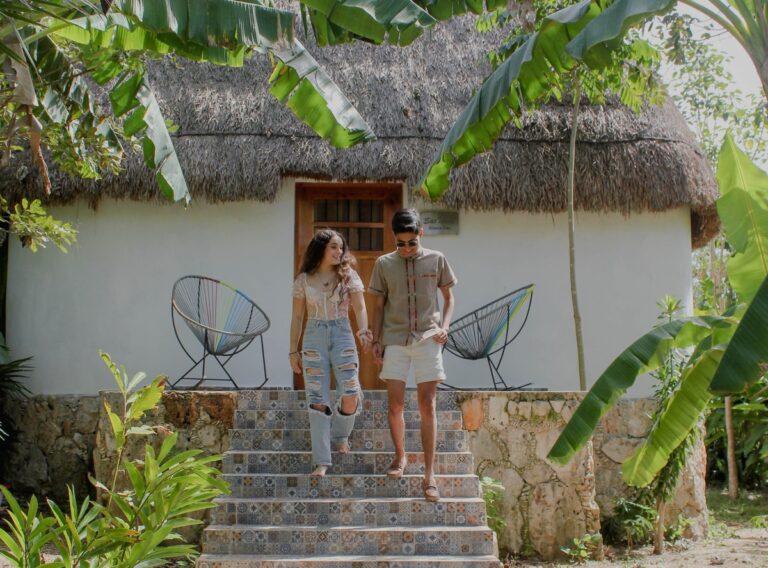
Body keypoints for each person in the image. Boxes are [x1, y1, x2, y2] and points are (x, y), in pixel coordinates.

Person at [368, 208, 456, 502]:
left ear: (421, 234)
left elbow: (449, 297)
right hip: (394, 339)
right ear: (394, 238)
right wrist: (376, 340)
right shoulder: (383, 264)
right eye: (400, 243)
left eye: (411, 242)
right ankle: (400, 455)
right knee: (395, 405)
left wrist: (445, 327)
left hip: (428, 339)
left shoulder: (437, 259)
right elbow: (379, 306)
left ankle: (429, 476)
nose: (406, 248)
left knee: (427, 405)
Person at [289, 229, 372, 477]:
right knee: (317, 398)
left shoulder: (349, 276)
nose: (338, 252)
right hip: (314, 335)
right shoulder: (304, 279)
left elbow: (359, 306)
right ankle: (322, 461)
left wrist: (364, 330)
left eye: (341, 247)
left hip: (342, 332)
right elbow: (297, 316)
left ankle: (340, 435)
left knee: (350, 391)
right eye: (333, 247)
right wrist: (293, 350)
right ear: (321, 249)